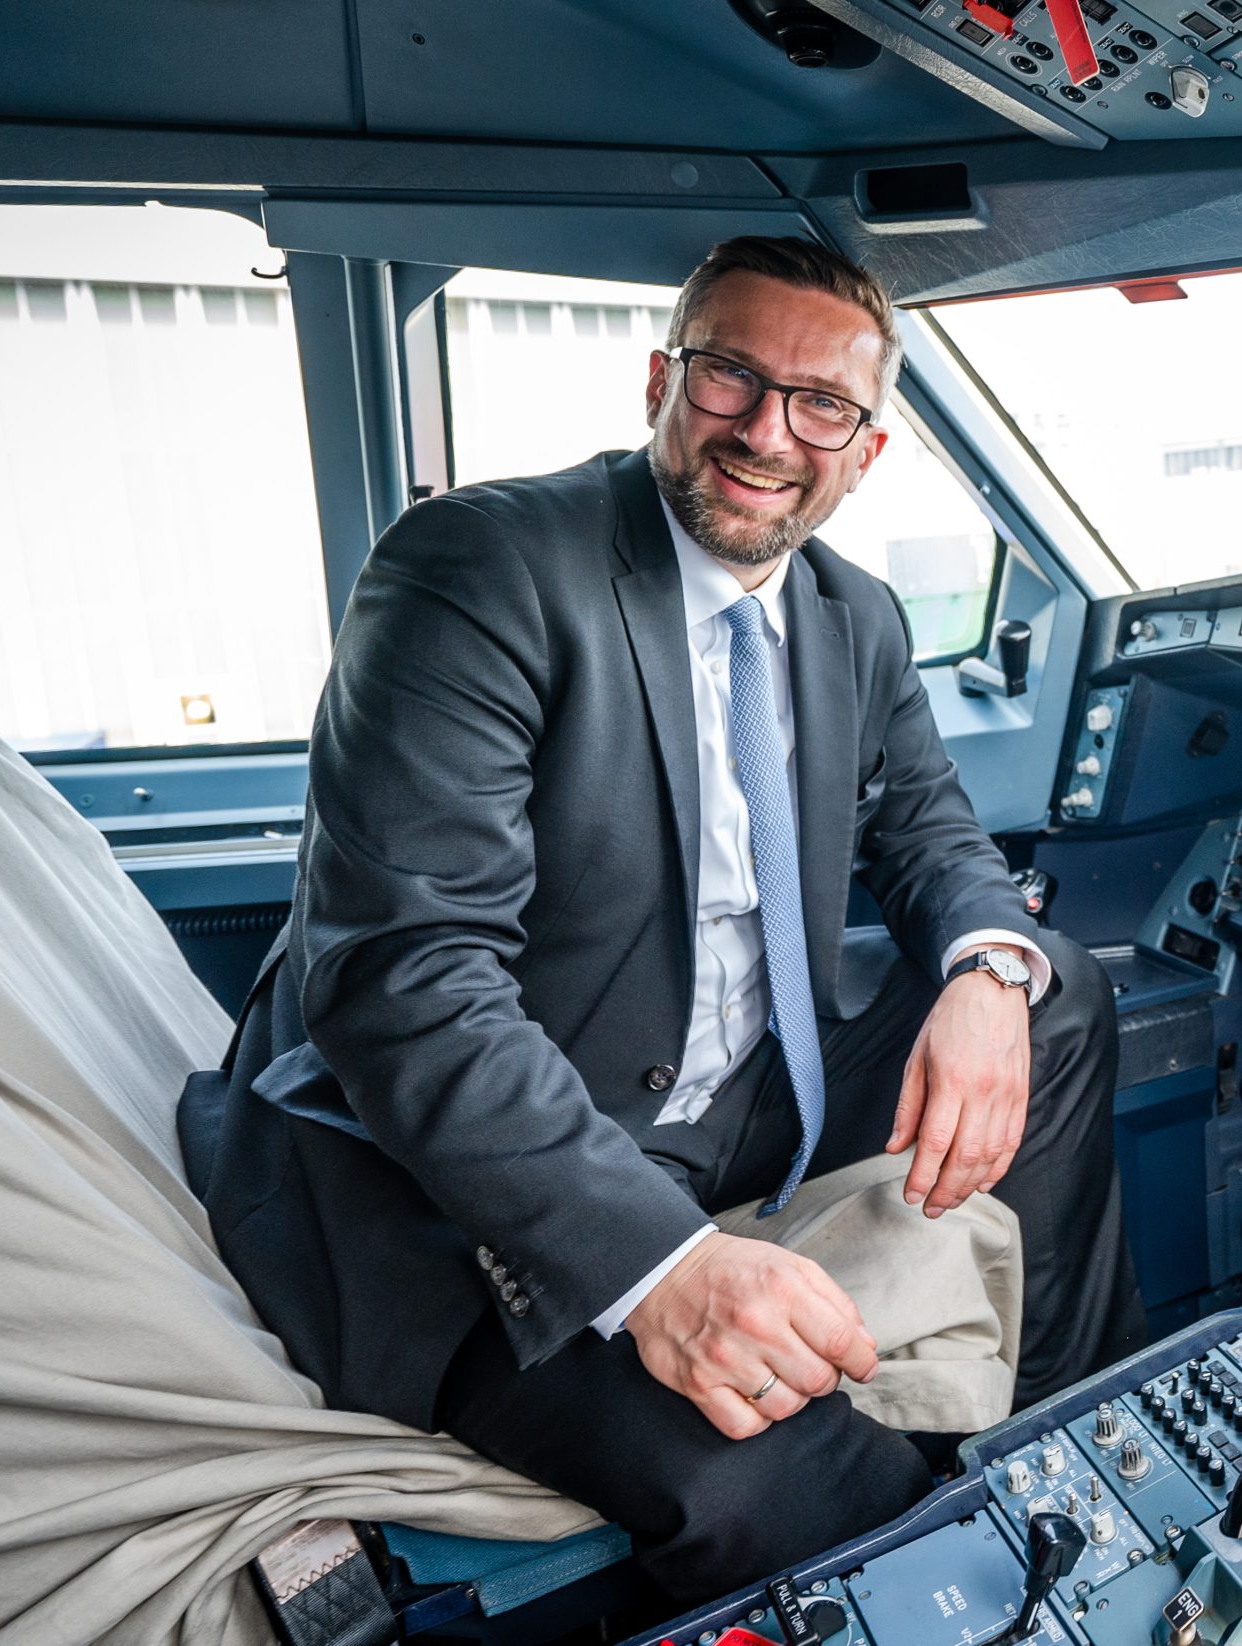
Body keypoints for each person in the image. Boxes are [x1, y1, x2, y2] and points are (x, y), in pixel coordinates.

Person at [181, 235, 1146, 1601]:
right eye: (734, 378)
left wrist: (991, 968)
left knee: (1065, 996)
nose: (768, 433)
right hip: (457, 1183)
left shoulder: (852, 617)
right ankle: (922, 1573)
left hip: (733, 1100)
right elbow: (407, 980)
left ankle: (1070, 1440)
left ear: (864, 451)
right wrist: (664, 1267)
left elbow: (932, 834)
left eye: (822, 405)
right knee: (773, 1471)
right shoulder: (479, 568)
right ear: (663, 380)